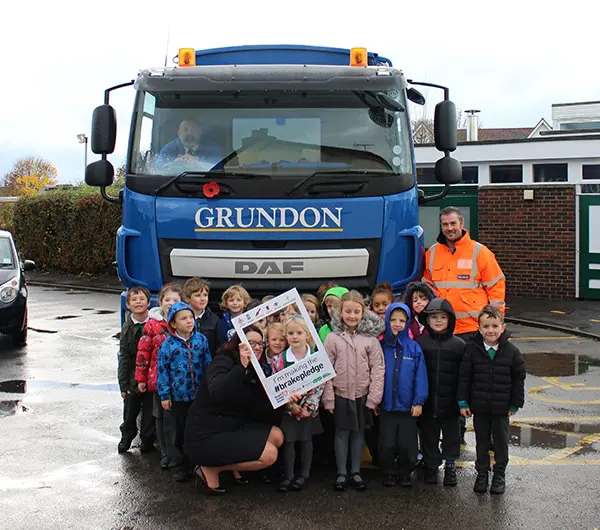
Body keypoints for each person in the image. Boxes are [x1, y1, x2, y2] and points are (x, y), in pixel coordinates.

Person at [184, 327, 286, 495]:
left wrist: (284, 400)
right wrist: (241, 367)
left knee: (277, 435)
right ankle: (210, 468)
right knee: (270, 455)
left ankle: (226, 465)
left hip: (231, 428)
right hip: (205, 435)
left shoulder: (256, 369)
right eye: (251, 343)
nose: (257, 347)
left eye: (260, 344)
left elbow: (257, 411)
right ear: (239, 345)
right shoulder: (222, 361)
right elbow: (219, 393)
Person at [458, 305, 526, 495]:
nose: (490, 331)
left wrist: (515, 403)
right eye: (486, 326)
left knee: (501, 442)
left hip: (501, 409)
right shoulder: (472, 350)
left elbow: (519, 379)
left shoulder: (512, 352)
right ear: (479, 328)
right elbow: (465, 377)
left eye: (495, 326)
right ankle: (481, 474)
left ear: (502, 327)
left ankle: (499, 475)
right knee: (481, 442)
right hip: (479, 407)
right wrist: (463, 402)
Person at [322, 290, 385, 492]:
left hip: (362, 394)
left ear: (363, 312)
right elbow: (326, 370)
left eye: (356, 312)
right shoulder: (332, 339)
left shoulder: (370, 340)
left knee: (358, 433)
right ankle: (341, 472)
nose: (352, 316)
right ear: (340, 312)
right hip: (341, 394)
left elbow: (378, 369)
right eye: (347, 311)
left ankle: (356, 472)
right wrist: (329, 399)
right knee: (341, 433)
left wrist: (373, 398)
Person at [423, 206, 506, 341]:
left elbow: (496, 286)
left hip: (472, 329)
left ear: (461, 224)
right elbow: (426, 288)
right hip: (442, 327)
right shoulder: (431, 253)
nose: (449, 228)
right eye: (445, 224)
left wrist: (495, 323)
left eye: (453, 223)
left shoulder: (480, 252)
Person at [157, 302, 212, 482]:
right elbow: (162, 371)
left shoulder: (201, 340)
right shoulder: (168, 345)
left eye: (190, 317)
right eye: (184, 318)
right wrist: (164, 395)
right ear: (173, 323)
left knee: (194, 429)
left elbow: (208, 365)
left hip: (197, 395)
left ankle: (193, 463)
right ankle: (178, 464)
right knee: (177, 431)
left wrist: (209, 388)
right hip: (177, 396)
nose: (189, 321)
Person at [416, 298, 466, 487]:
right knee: (429, 436)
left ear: (450, 320)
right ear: (427, 320)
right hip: (428, 403)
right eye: (434, 317)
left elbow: (464, 377)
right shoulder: (421, 344)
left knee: (451, 437)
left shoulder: (459, 345)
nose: (438, 321)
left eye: (442, 317)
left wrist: (463, 401)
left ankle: (450, 466)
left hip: (451, 404)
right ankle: (431, 465)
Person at [378, 301, 428, 488]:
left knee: (407, 445)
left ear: (407, 322)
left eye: (402, 320)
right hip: (387, 406)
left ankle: (406, 472)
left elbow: (420, 376)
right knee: (387, 444)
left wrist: (418, 401)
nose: (397, 323)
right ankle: (389, 472)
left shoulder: (413, 348)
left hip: (408, 406)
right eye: (393, 319)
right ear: (387, 321)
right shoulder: (381, 346)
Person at [135, 284, 183, 469]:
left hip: (179, 381)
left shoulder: (184, 321)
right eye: (167, 300)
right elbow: (143, 352)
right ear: (160, 302)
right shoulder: (152, 325)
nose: (171, 303)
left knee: (176, 419)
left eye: (175, 300)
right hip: (157, 380)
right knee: (160, 418)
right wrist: (141, 378)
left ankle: (177, 452)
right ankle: (165, 453)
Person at [276, 316, 324, 493]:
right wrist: (291, 406)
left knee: (306, 440)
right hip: (289, 410)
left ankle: (304, 474)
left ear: (307, 334)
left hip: (308, 410)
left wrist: (307, 408)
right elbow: (278, 387)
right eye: (290, 333)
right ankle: (288, 476)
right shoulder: (280, 360)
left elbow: (320, 384)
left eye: (299, 332)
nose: (295, 336)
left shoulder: (316, 357)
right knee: (288, 442)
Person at [117, 286, 154, 454]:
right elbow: (124, 356)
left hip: (151, 376)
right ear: (128, 304)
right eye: (134, 299)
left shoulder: (155, 325)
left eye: (142, 299)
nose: (138, 302)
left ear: (148, 302)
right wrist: (123, 384)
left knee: (149, 412)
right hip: (132, 378)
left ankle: (147, 440)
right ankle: (127, 437)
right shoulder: (127, 327)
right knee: (131, 410)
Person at [156, 120, 222, 169]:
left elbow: (218, 168)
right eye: (185, 129)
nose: (189, 133)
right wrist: (174, 163)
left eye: (193, 129)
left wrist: (197, 162)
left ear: (199, 133)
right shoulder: (169, 148)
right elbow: (158, 167)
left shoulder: (212, 148)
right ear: (179, 133)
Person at [182, 277, 221, 356]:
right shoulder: (180, 318)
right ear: (187, 298)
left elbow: (219, 345)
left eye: (205, 295)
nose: (202, 299)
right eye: (198, 295)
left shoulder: (214, 319)